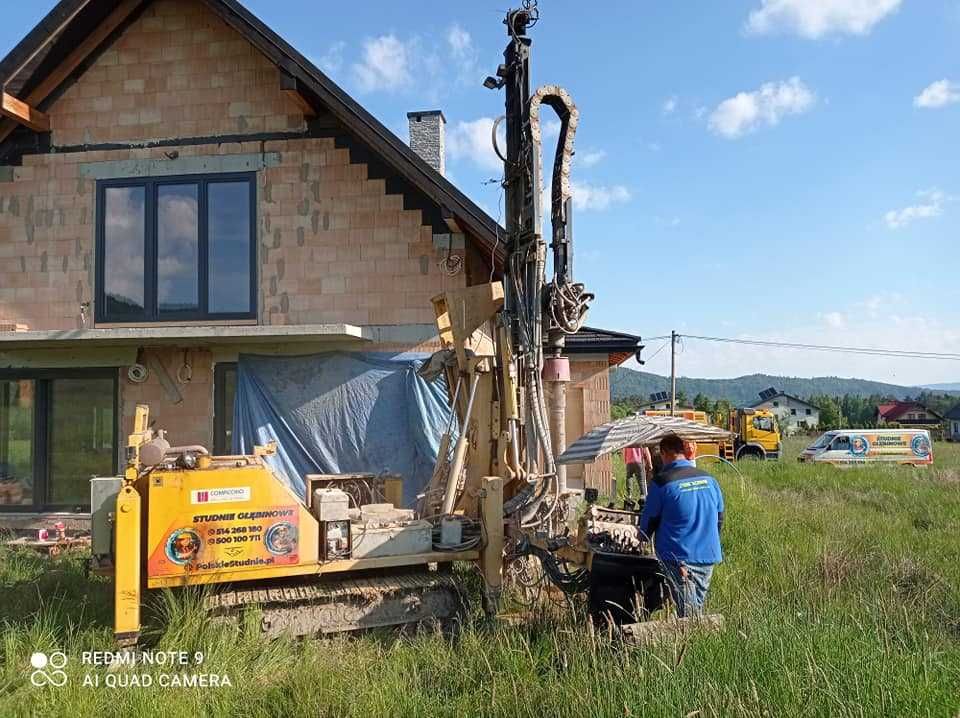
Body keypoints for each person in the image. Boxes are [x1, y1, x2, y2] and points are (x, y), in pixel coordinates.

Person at [639, 433, 724, 617]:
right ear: (683, 451)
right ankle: (699, 640)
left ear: (664, 453)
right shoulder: (710, 480)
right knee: (696, 606)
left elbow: (648, 523)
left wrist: (640, 539)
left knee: (689, 615)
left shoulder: (662, 483)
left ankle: (693, 643)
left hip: (678, 557)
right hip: (708, 554)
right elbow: (719, 519)